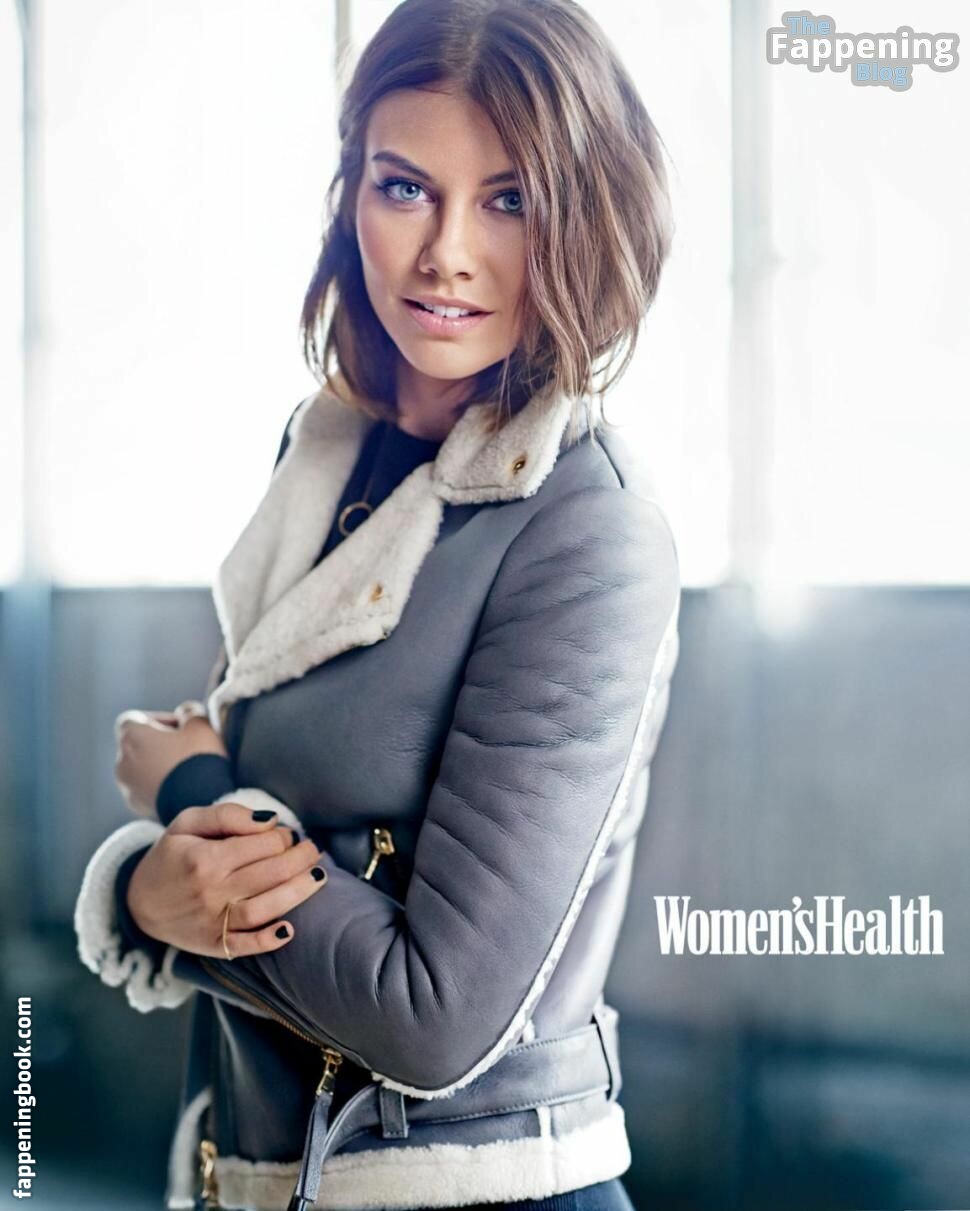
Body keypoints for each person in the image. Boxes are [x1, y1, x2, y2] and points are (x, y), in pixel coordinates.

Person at [72, 1, 680, 1208]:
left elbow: (433, 1016)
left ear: (587, 214)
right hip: (268, 1169)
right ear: (352, 192)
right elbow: (294, 822)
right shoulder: (327, 452)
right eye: (405, 188)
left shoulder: (586, 524)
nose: (446, 252)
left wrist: (184, 808)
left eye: (509, 200)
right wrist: (148, 884)